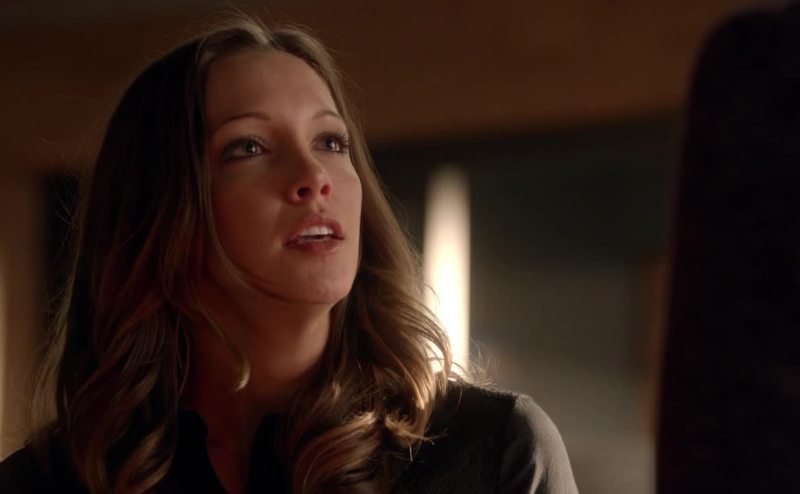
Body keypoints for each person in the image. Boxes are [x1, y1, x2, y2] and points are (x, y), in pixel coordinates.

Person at [0, 15, 577, 494]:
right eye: (248, 147)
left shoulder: (493, 451)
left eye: (331, 141)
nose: (313, 177)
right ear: (157, 209)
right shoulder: (44, 483)